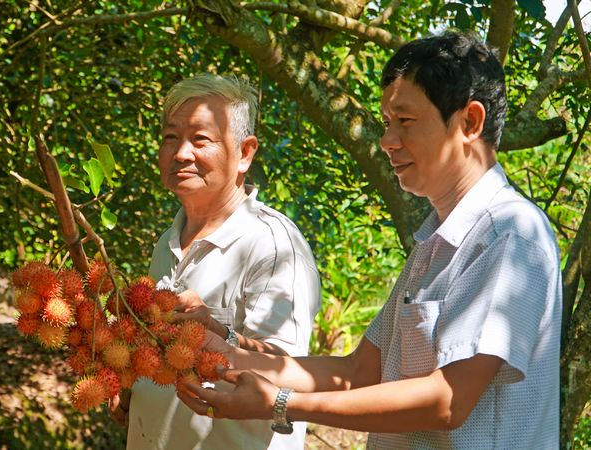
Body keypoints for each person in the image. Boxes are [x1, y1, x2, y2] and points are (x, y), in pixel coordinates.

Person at [177, 31, 562, 449]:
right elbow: (359, 371)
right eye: (385, 123)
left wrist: (281, 403)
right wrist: (220, 348)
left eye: (405, 122)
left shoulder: (510, 235)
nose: (387, 141)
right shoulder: (434, 241)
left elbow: (447, 399)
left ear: (470, 122)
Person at [112, 73, 322, 449]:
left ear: (245, 153)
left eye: (200, 139)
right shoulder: (166, 243)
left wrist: (215, 327)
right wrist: (131, 381)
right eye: (170, 137)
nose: (180, 153)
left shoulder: (274, 246)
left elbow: (287, 373)